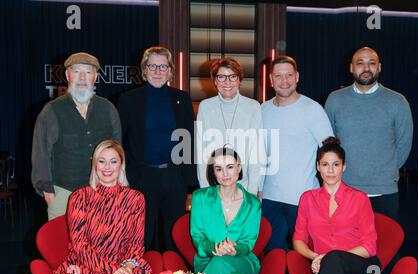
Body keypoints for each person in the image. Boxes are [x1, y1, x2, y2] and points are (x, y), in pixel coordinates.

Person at [117, 46, 197, 252]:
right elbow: (119, 142)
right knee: (141, 237)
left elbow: (188, 140)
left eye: (163, 66)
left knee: (175, 238)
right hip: (141, 177)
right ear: (144, 70)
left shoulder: (182, 99)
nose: (158, 71)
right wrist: (123, 178)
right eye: (152, 66)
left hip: (174, 176)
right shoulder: (128, 100)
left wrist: (189, 182)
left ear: (170, 71)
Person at [53, 140, 152, 274]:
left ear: (121, 165)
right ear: (94, 165)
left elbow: (136, 244)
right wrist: (111, 269)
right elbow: (80, 246)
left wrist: (127, 267)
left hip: (123, 263)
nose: (107, 167)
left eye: (113, 161)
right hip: (87, 264)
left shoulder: (135, 199)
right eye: (102, 161)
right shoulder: (79, 197)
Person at [325, 47, 413, 221]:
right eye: (360, 63)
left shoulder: (398, 101)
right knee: (343, 246)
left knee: (382, 246)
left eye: (371, 63)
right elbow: (329, 143)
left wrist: (384, 171)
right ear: (351, 68)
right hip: (344, 188)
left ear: (379, 67)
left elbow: (404, 143)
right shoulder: (335, 99)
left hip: (384, 190)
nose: (366, 68)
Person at [32, 52, 121, 221]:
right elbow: (41, 154)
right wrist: (48, 192)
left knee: (100, 245)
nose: (82, 77)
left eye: (88, 72)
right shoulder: (51, 110)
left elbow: (118, 151)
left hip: (101, 193)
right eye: (76, 71)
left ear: (95, 76)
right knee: (62, 246)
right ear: (67, 75)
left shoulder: (108, 109)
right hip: (63, 194)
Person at [260, 56, 333, 251]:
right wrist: (257, 189)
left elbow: (330, 153)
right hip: (269, 198)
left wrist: (329, 192)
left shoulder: (313, 110)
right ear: (271, 79)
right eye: (279, 76)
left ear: (297, 77)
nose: (284, 81)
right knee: (272, 257)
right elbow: (257, 154)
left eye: (289, 75)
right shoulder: (262, 110)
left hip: (303, 198)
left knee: (304, 257)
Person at [293, 137, 380, 274]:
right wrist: (316, 258)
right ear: (318, 167)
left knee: (334, 257)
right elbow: (298, 240)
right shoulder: (307, 199)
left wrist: (329, 258)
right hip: (329, 272)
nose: (331, 171)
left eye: (336, 165)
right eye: (325, 165)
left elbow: (370, 247)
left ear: (344, 167)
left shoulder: (360, 198)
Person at [190, 147, 261, 274]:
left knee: (222, 261)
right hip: (207, 262)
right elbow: (197, 237)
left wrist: (233, 251)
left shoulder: (253, 203)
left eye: (230, 167)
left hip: (243, 262)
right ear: (213, 172)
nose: (225, 174)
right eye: (219, 169)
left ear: (239, 168)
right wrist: (215, 248)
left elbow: (248, 243)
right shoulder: (200, 198)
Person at [196, 57, 266, 196]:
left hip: (244, 185)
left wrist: (253, 192)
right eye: (221, 77)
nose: (227, 82)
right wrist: (206, 190)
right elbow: (202, 154)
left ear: (239, 80)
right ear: (215, 81)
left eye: (232, 77)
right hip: (214, 185)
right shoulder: (206, 107)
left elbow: (256, 153)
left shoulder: (253, 107)